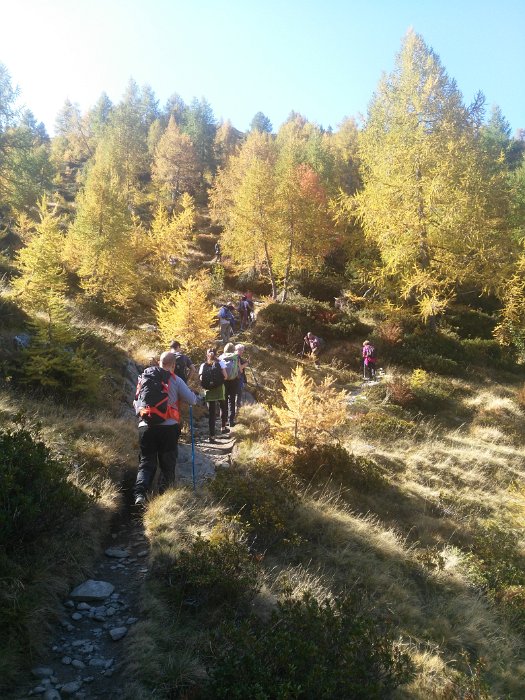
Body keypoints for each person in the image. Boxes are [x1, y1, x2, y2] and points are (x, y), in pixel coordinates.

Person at [133, 351, 198, 507]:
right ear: (173, 365)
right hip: (168, 428)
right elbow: (192, 400)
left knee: (146, 462)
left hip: (145, 426)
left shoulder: (144, 377)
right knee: (167, 464)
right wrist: (193, 395)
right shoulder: (175, 379)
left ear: (158, 362)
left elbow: (136, 401)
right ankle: (164, 499)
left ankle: (140, 495)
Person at [199, 348, 229, 443]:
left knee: (211, 413)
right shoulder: (220, 363)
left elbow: (201, 378)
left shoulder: (203, 365)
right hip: (219, 388)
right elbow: (225, 376)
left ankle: (212, 437)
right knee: (223, 407)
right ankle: (223, 427)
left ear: (207, 355)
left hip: (208, 390)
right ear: (216, 354)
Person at [219, 342, 240, 428]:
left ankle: (224, 421)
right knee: (232, 400)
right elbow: (239, 369)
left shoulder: (220, 357)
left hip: (224, 380)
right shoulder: (236, 357)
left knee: (224, 400)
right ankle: (231, 420)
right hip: (233, 380)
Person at [235, 343, 249, 410]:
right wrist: (246, 364)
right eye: (241, 350)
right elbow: (240, 369)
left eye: (242, 350)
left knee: (236, 394)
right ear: (237, 350)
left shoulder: (234, 357)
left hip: (234, 378)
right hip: (238, 378)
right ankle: (237, 409)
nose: (242, 352)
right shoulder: (237, 357)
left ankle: (235, 409)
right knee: (238, 393)